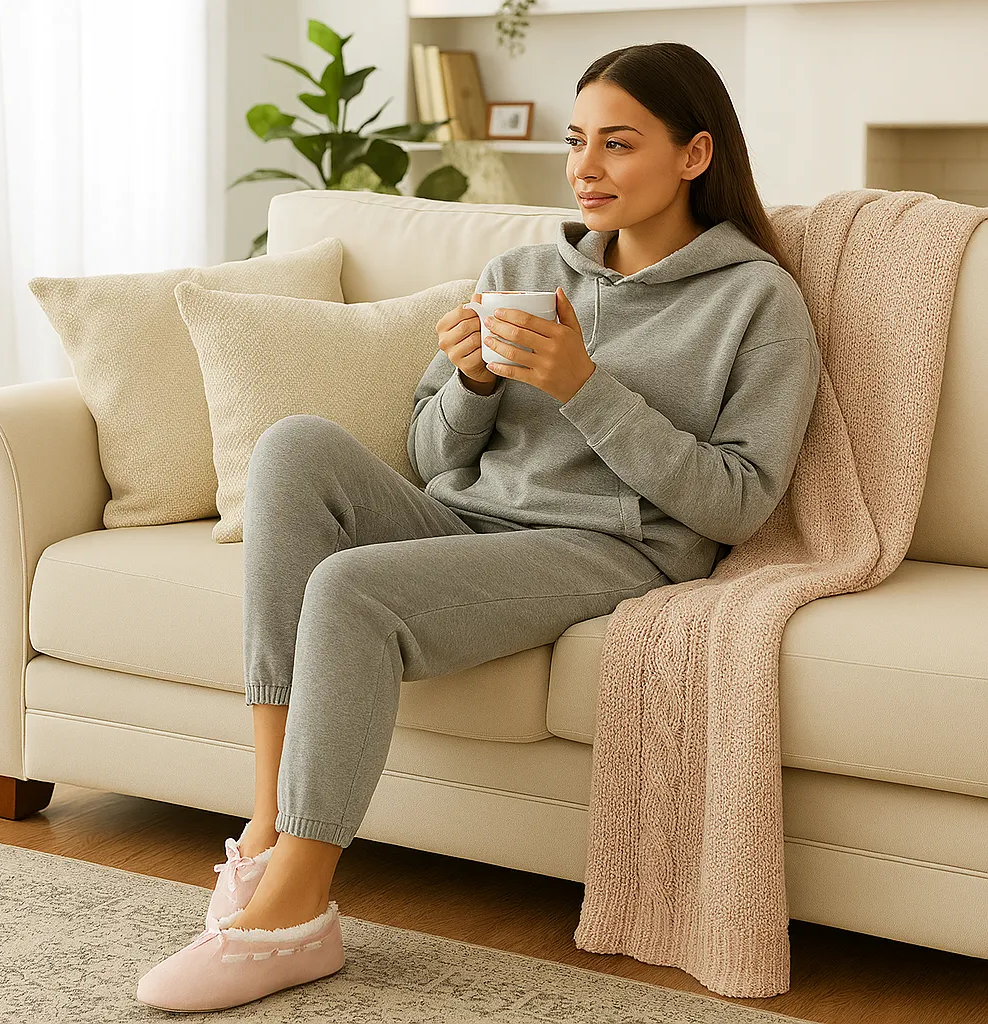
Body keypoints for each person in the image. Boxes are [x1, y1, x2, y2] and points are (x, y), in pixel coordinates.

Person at [136, 40, 820, 1012]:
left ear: (694, 154)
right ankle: (265, 829)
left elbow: (739, 501)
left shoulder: (756, 300)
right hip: (468, 515)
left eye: (618, 143)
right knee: (292, 446)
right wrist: (471, 382)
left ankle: (294, 911)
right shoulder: (524, 269)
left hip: (613, 547)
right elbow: (431, 457)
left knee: (351, 589)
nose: (584, 167)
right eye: (576, 141)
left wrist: (583, 386)